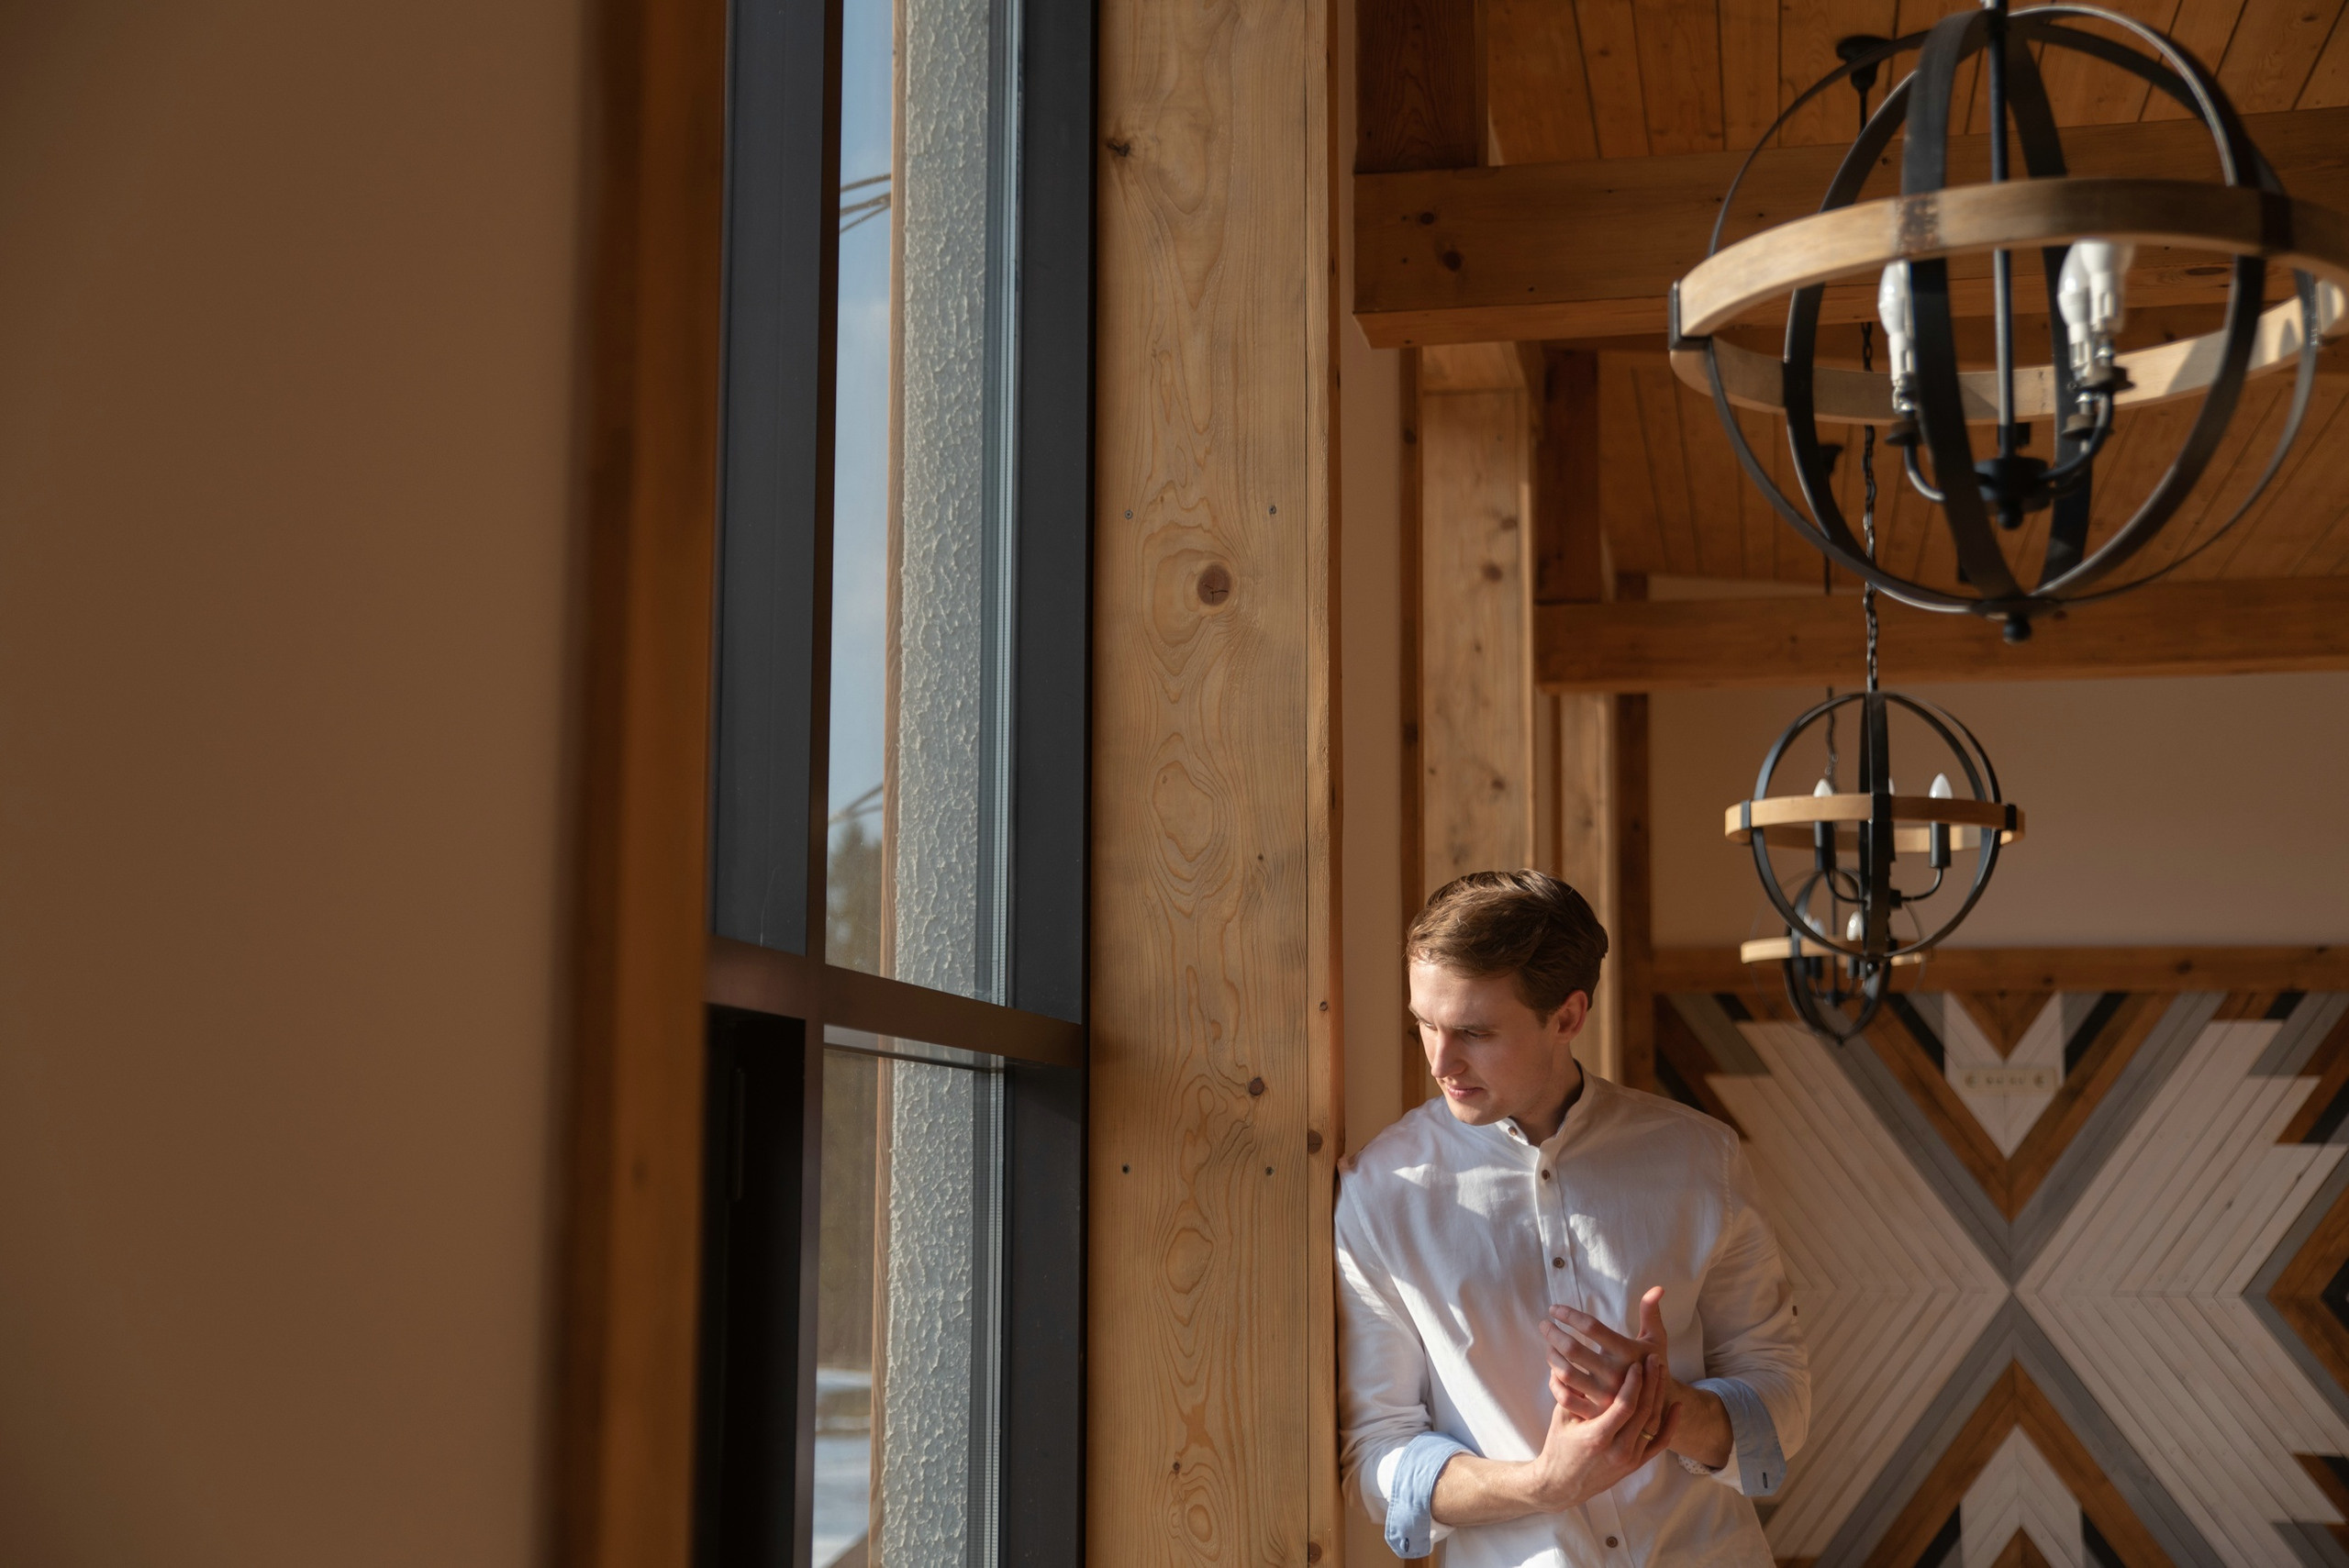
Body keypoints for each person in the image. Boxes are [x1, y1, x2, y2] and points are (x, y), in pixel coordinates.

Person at [1337, 870, 1808, 1565]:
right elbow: (1379, 1452)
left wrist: (1666, 1409)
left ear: (1567, 1016)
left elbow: (1781, 1399)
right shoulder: (1381, 1190)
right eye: (1425, 1024)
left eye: (1473, 1030)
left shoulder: (1699, 1159)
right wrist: (1542, 1484)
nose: (1441, 1060)